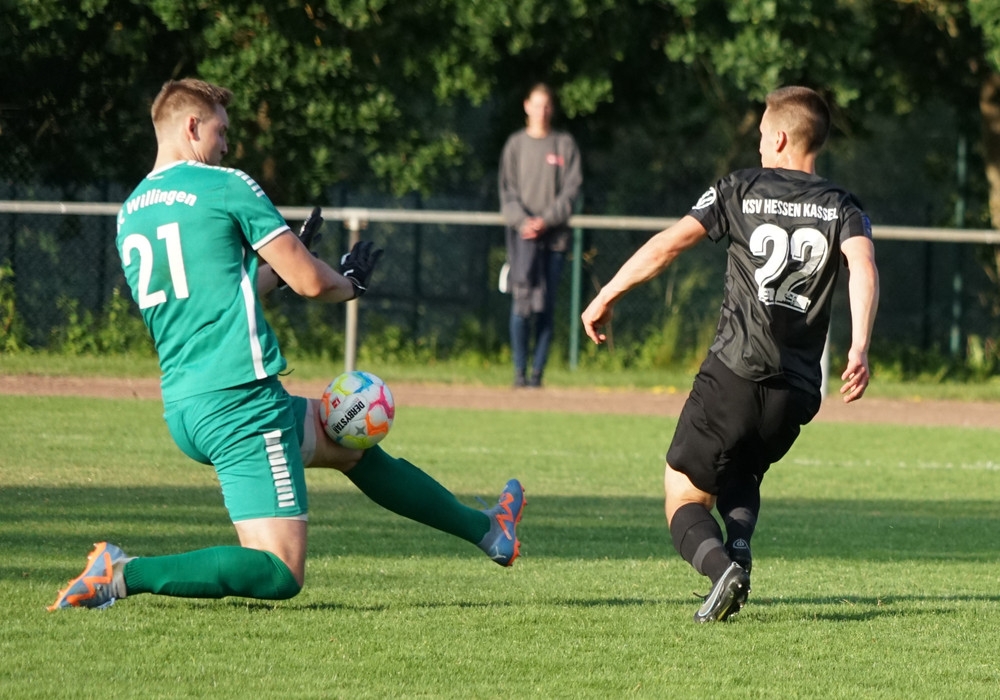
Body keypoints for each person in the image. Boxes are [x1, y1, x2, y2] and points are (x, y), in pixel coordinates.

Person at [49, 78, 525, 611]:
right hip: (241, 403)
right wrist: (350, 284)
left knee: (350, 447)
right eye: (221, 131)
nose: (226, 144)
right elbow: (313, 282)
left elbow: (221, 296)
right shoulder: (225, 185)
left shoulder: (132, 210)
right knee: (279, 570)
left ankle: (489, 530)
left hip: (186, 403)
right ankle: (120, 574)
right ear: (192, 126)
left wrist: (279, 267)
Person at [581, 86, 879, 623]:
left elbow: (670, 244)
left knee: (682, 494)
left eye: (763, 134)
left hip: (734, 373)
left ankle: (723, 572)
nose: (759, 144)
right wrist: (858, 346)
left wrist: (606, 295)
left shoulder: (740, 188)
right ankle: (738, 550)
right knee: (745, 471)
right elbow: (863, 266)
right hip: (796, 390)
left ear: (781, 138)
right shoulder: (843, 205)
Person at [499, 83, 583, 388]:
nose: (542, 111)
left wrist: (546, 221)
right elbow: (507, 191)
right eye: (537, 104)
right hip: (522, 241)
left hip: (554, 240)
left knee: (546, 306)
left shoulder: (564, 144)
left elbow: (571, 190)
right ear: (526, 106)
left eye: (546, 105)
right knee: (521, 305)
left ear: (552, 108)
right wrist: (524, 222)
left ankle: (537, 375)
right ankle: (519, 373)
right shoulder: (515, 145)